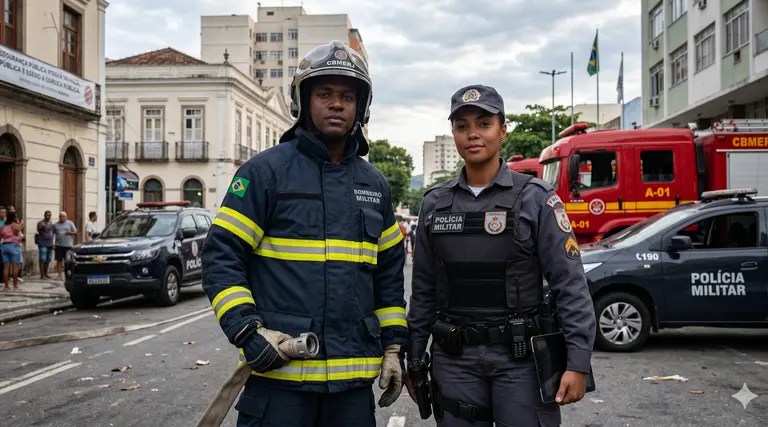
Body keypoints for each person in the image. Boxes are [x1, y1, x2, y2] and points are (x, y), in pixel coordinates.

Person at [201, 40, 407, 427]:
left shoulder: (375, 185)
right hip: (280, 381)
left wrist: (394, 347)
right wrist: (246, 331)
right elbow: (222, 256)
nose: (336, 104)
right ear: (303, 100)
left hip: (351, 393)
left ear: (361, 106)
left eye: (347, 96)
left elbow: (389, 275)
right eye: (324, 93)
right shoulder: (264, 173)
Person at [405, 85, 596, 427]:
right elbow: (423, 292)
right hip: (455, 360)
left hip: (520, 359)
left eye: (484, 123)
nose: (472, 134)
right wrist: (415, 357)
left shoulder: (536, 198)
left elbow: (570, 284)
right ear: (454, 134)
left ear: (503, 130)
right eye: (462, 126)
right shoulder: (434, 203)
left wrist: (578, 362)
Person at [2, 211, 24, 291]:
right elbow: (19, 229)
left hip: (4, 246)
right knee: (15, 267)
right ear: (14, 217)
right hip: (14, 246)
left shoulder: (3, 226)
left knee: (6, 268)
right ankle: (15, 286)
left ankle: (6, 286)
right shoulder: (13, 225)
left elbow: (1, 236)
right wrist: (22, 223)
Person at [53, 211, 77, 280]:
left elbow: (76, 232)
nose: (62, 217)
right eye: (60, 216)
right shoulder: (55, 225)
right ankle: (59, 276)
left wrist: (69, 232)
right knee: (59, 261)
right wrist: (53, 244)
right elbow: (52, 234)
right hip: (59, 246)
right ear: (59, 217)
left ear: (66, 217)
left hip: (68, 246)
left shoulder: (70, 223)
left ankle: (68, 275)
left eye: (63, 216)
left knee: (68, 262)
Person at [37, 211, 55, 279]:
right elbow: (38, 229)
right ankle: (42, 275)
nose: (49, 217)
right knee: (42, 259)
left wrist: (52, 243)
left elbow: (52, 233)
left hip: (50, 244)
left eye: (50, 215)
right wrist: (44, 225)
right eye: (48, 215)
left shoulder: (51, 223)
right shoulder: (41, 223)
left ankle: (46, 273)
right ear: (44, 215)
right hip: (43, 243)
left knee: (48, 259)